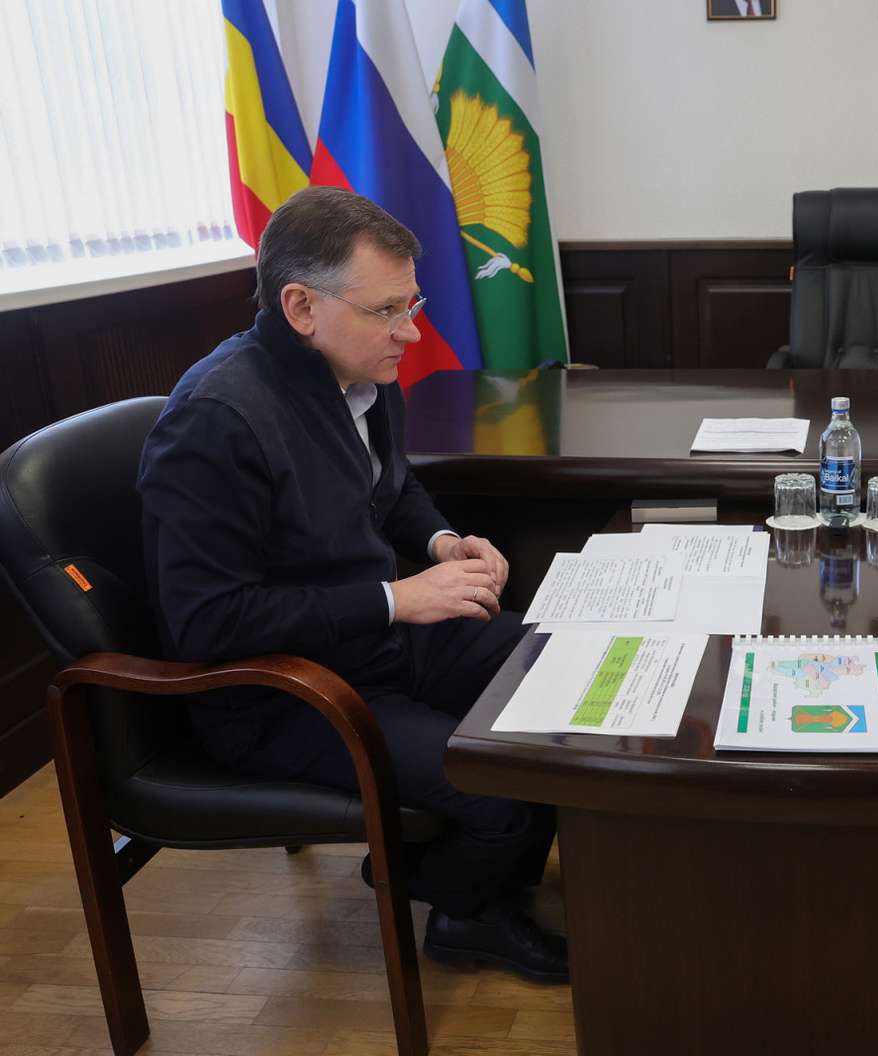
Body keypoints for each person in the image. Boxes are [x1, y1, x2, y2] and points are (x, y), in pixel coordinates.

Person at [138, 186, 567, 983]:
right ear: (302, 307)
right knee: (500, 788)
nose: (412, 331)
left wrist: (442, 542)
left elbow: (390, 489)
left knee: (559, 674)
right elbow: (206, 623)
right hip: (281, 693)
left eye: (413, 304)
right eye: (387, 310)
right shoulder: (216, 419)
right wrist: (399, 598)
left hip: (372, 642)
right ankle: (458, 907)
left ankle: (456, 868)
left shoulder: (361, 367)